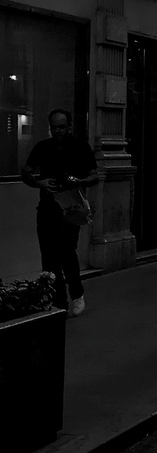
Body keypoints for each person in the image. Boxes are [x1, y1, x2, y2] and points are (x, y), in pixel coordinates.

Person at [21, 109, 99, 316]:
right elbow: (26, 172)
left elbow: (94, 175)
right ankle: (57, 302)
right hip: (47, 207)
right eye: (54, 127)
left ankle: (76, 294)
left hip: (71, 208)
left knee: (67, 253)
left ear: (69, 126)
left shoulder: (80, 147)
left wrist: (80, 182)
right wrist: (41, 183)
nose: (57, 131)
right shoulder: (43, 148)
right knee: (48, 256)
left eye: (62, 127)